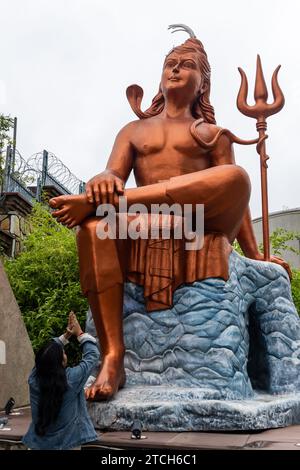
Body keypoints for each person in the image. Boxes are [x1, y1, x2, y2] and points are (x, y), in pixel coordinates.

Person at [48, 27, 290, 401]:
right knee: (93, 230)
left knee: (236, 177)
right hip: (141, 222)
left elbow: (235, 202)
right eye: (170, 64)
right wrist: (102, 180)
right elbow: (113, 175)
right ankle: (113, 355)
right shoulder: (133, 131)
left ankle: (112, 206)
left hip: (196, 219)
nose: (175, 70)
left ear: (203, 83)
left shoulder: (213, 133)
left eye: (187, 65)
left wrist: (256, 256)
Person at [23, 312, 100, 450]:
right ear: (62, 361)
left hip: (37, 445)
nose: (65, 353)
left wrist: (66, 335)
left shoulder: (34, 379)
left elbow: (45, 357)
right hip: (67, 445)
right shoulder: (72, 379)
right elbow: (92, 355)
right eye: (63, 352)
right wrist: (79, 333)